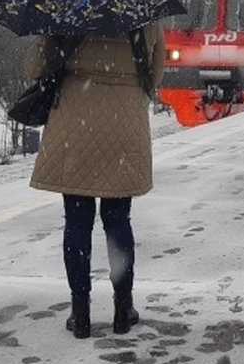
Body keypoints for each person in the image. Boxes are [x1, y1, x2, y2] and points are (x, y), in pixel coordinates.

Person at [23, 24, 165, 339]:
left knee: (77, 222)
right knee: (117, 222)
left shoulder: (66, 11)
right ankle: (122, 310)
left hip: (75, 124)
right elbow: (155, 75)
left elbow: (34, 68)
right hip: (124, 126)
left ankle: (81, 312)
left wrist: (47, 34)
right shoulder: (144, 12)